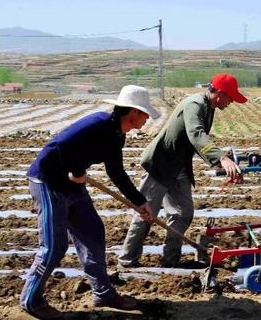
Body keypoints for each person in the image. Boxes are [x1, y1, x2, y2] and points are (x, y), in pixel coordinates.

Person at [20, 85, 159, 319]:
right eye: (145, 113)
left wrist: (139, 201)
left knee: (93, 232)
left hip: (72, 184)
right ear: (133, 112)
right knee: (54, 247)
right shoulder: (98, 123)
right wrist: (75, 170)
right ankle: (31, 301)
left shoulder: (117, 135)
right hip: (48, 180)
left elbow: (116, 172)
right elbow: (60, 145)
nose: (147, 118)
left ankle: (103, 293)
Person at [119, 73, 247, 268]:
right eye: (230, 98)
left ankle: (170, 259)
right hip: (161, 165)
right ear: (220, 93)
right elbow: (196, 134)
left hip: (179, 166)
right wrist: (221, 158)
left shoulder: (208, 107)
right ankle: (127, 260)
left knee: (183, 213)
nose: (231, 102)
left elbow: (195, 141)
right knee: (146, 214)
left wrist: (225, 158)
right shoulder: (194, 105)